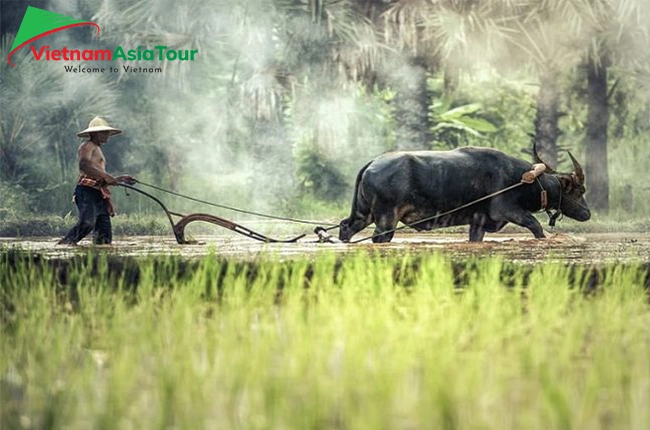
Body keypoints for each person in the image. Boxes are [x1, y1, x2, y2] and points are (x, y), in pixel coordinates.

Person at [58, 116, 135, 245]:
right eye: (103, 132)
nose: (107, 135)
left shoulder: (98, 149)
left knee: (104, 235)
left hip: (99, 193)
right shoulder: (87, 146)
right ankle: (63, 247)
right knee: (87, 223)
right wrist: (106, 176)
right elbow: (84, 165)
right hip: (87, 192)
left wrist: (120, 179)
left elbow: (99, 176)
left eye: (107, 132)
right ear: (94, 133)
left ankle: (100, 257)